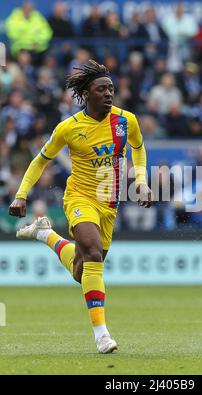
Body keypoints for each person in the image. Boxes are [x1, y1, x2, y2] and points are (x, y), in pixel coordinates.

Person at [8, 60, 152, 354]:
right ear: (87, 93)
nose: (109, 94)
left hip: (109, 204)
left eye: (111, 88)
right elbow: (40, 161)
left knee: (81, 269)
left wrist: (141, 180)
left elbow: (138, 146)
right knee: (93, 251)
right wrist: (21, 194)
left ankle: (45, 234)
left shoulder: (126, 121)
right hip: (80, 197)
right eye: (102, 89)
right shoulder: (69, 128)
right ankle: (102, 335)